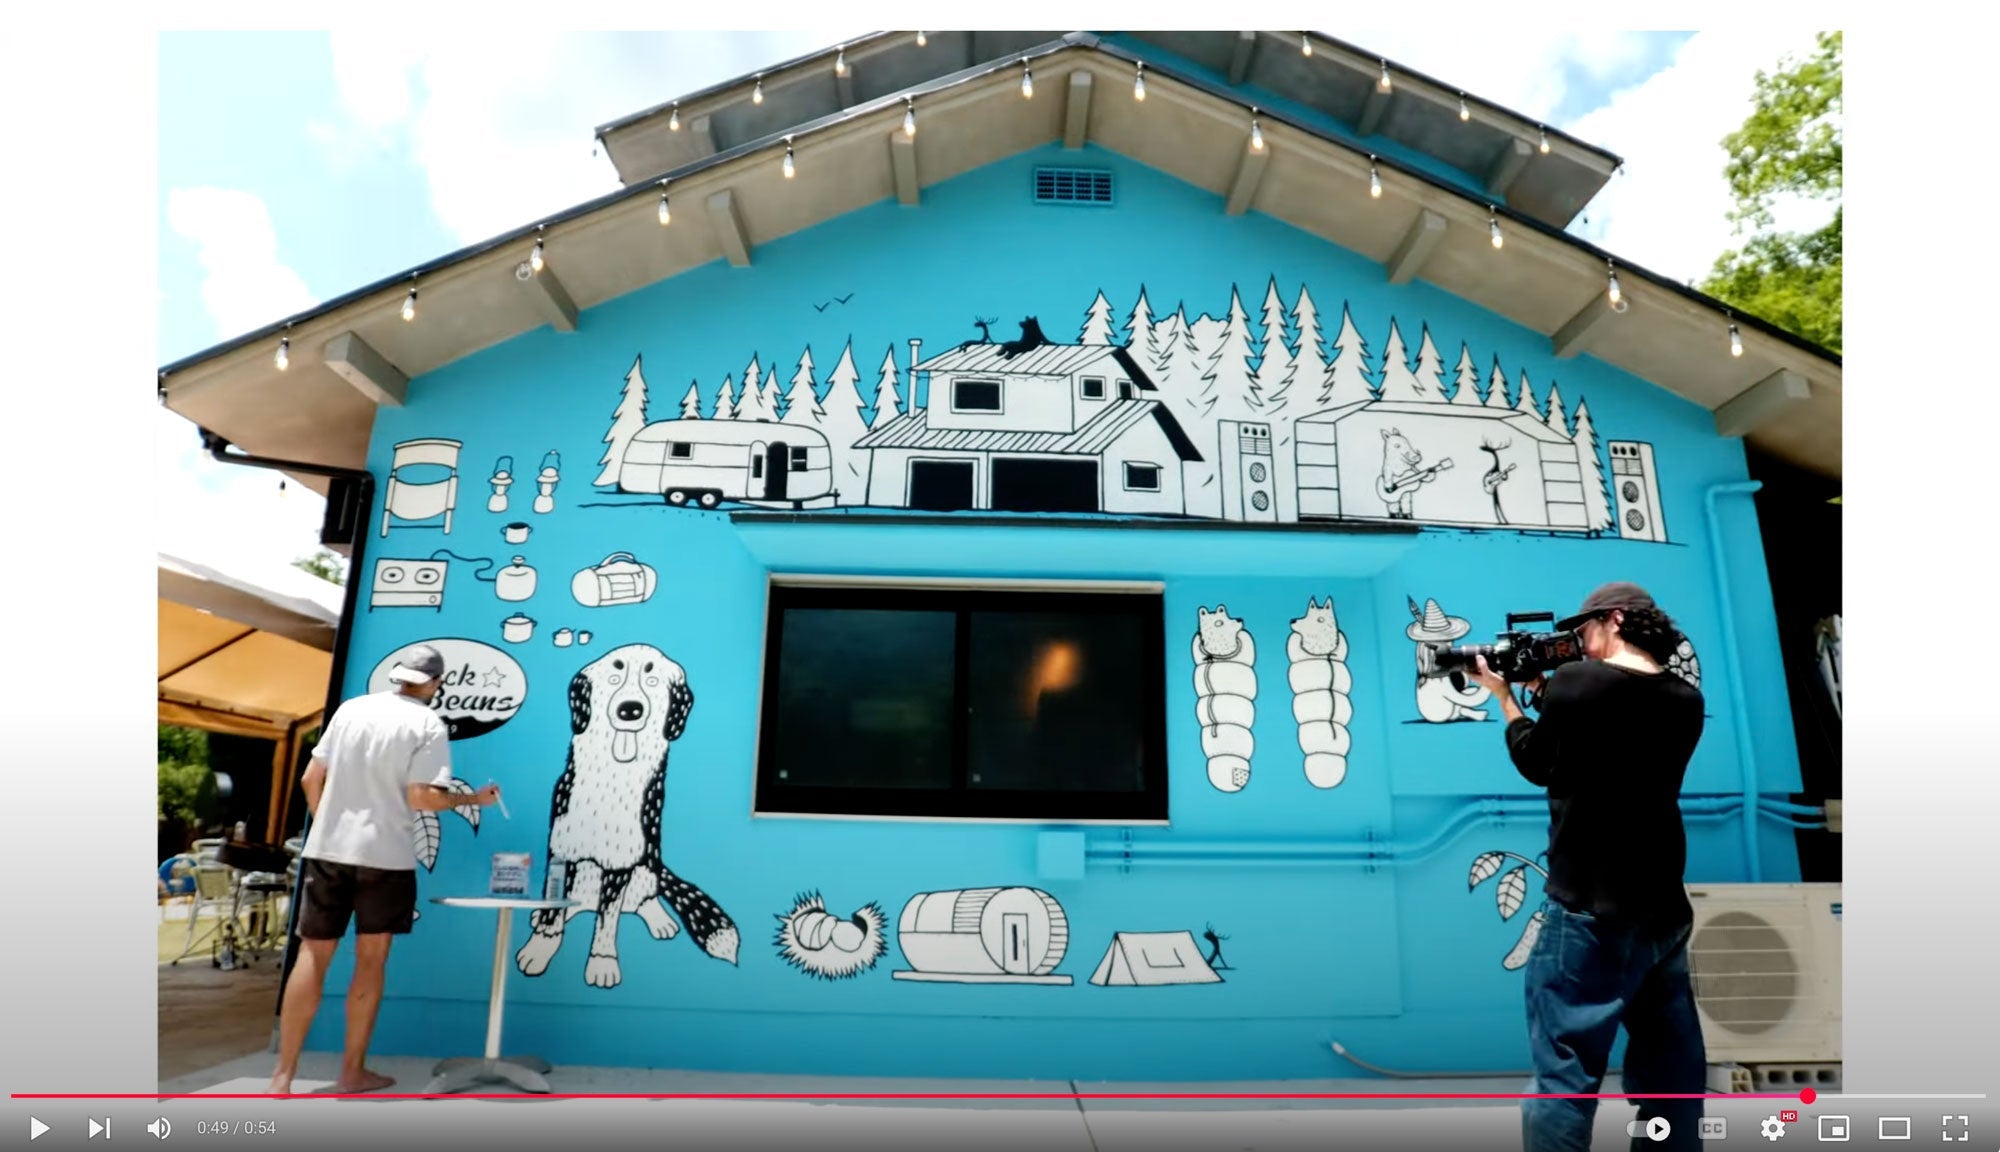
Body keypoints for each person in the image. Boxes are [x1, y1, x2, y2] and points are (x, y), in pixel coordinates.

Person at [1466, 582, 1708, 1152]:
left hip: (1588, 912)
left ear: (1614, 619)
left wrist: (1506, 698)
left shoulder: (1578, 683)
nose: (1577, 640)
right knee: (1671, 1077)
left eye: (1583, 629)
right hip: (1663, 913)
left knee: (1565, 1076)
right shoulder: (1685, 698)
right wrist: (1546, 690)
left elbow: (1538, 763)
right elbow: (1612, 732)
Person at [268, 644, 501, 1095]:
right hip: (385, 856)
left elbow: (310, 778)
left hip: (328, 851)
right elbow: (422, 797)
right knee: (371, 960)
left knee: (312, 956)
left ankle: (282, 1076)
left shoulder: (351, 710)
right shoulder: (427, 724)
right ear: (435, 683)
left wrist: (327, 822)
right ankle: (352, 1072)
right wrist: (474, 799)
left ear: (398, 675)